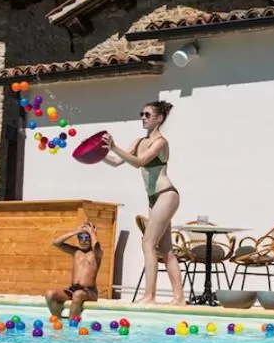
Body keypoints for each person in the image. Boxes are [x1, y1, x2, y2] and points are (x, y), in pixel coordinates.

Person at [102, 99, 184, 305]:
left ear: (159, 119)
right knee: (166, 250)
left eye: (147, 115)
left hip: (166, 193)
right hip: (153, 198)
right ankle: (179, 298)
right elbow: (116, 162)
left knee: (148, 243)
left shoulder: (161, 142)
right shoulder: (138, 142)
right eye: (142, 114)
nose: (142, 118)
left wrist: (114, 146)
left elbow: (140, 162)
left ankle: (149, 296)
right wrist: (97, 153)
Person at [46, 220, 102, 321]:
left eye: (86, 237)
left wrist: (92, 233)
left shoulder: (96, 254)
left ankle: (72, 326)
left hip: (89, 291)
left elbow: (96, 246)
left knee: (78, 295)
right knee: (50, 294)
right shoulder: (76, 252)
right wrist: (75, 232)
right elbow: (56, 242)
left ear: (91, 238)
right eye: (80, 237)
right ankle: (59, 320)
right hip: (72, 290)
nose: (83, 240)